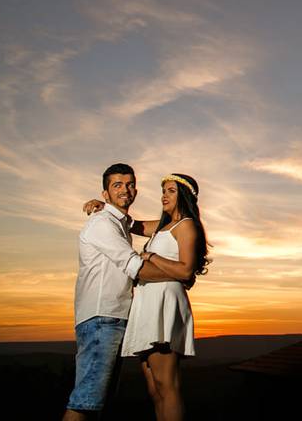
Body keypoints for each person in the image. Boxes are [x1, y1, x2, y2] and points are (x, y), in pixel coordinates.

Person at [84, 173, 211, 421]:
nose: (164, 195)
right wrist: (104, 206)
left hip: (164, 302)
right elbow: (132, 224)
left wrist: (151, 257)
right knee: (154, 390)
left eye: (171, 191)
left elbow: (186, 269)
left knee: (167, 385)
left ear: (184, 195)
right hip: (146, 302)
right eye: (163, 190)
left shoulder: (185, 225)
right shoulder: (162, 225)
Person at [63, 163, 183, 421]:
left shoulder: (119, 221)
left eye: (129, 184)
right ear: (105, 193)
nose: (125, 190)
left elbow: (163, 224)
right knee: (86, 401)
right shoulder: (102, 223)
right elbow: (135, 267)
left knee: (97, 402)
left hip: (112, 319)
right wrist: (182, 273)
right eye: (117, 185)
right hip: (101, 319)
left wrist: (185, 217)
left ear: (136, 190)